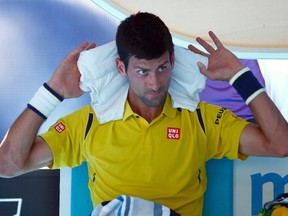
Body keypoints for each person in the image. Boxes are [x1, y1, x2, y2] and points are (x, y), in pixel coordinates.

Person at [0, 12, 288, 216]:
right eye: (142, 71)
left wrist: (239, 75)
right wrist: (53, 91)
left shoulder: (201, 119)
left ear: (173, 61)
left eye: (162, 67)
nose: (154, 83)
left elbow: (280, 144)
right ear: (121, 68)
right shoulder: (88, 123)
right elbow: (7, 165)